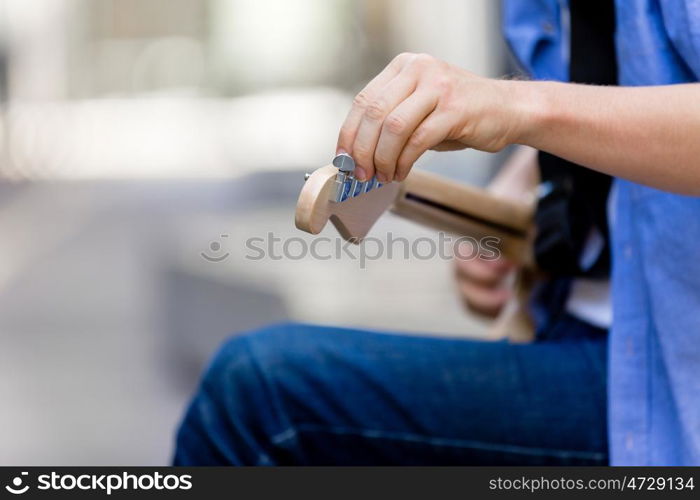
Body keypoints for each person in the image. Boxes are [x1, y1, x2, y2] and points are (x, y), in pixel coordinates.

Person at [173, 0, 700, 465]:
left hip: (665, 386)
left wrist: (515, 106)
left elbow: (550, 105)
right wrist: (512, 202)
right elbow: (604, 88)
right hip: (571, 330)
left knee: (261, 394)